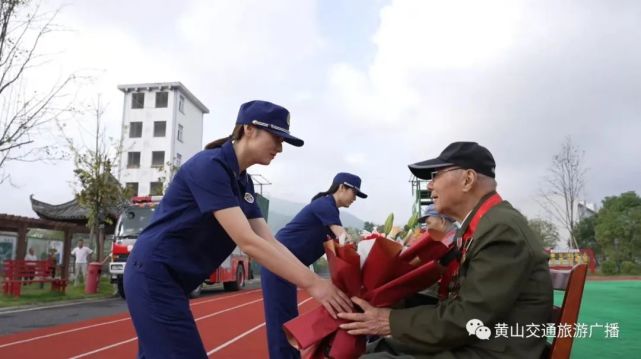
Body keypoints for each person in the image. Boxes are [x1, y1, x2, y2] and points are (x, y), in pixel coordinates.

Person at [123, 100, 352, 359]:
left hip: (173, 281)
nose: (279, 148)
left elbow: (269, 241)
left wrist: (317, 282)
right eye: (276, 138)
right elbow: (248, 241)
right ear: (249, 129)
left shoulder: (243, 182)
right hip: (154, 275)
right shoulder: (209, 166)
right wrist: (313, 284)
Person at [338, 141, 553, 358]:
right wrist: (391, 298)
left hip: (491, 350)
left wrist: (388, 321)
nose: (430, 186)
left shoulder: (501, 229)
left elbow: (470, 316)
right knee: (378, 349)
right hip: (475, 341)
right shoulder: (486, 225)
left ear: (468, 180)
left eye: (436, 175)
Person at [261, 172, 368, 359]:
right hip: (277, 263)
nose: (355, 199)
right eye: (354, 193)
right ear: (342, 187)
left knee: (289, 318)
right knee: (281, 320)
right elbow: (343, 238)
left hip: (290, 268)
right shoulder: (325, 204)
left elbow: (339, 248)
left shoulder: (328, 209)